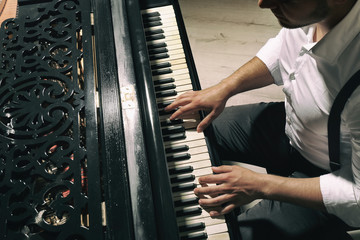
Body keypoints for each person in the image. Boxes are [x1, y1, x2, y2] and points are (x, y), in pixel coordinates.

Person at [165, 0, 360, 239]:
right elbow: (285, 47)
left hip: (328, 179)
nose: (263, 2)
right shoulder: (310, 12)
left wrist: (262, 185)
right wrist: (226, 87)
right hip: (292, 126)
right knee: (177, 127)